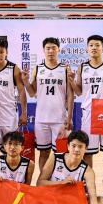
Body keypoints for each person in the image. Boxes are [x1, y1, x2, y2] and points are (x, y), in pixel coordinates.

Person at [69, 34, 103, 165]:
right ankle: (88, 178)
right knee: (87, 151)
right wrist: (71, 80)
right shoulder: (82, 67)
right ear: (87, 49)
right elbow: (79, 91)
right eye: (91, 45)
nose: (94, 48)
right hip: (89, 111)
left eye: (97, 45)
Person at [23, 37, 73, 171]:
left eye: (53, 48)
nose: (51, 51)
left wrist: (69, 118)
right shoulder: (38, 68)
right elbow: (32, 93)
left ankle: (59, 179)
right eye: (48, 48)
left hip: (60, 119)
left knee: (62, 153)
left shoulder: (65, 69)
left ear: (59, 50)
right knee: (44, 152)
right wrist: (26, 81)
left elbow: (70, 95)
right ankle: (43, 180)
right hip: (41, 119)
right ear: (43, 50)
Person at [37, 130, 102, 204]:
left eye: (80, 146)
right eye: (74, 146)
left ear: (86, 148)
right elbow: (40, 183)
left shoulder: (88, 171)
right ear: (68, 146)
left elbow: (92, 195)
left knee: (97, 202)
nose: (76, 149)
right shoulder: (55, 158)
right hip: (51, 199)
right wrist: (61, 183)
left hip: (70, 203)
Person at [0, 37, 28, 163]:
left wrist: (24, 113)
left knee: (11, 151)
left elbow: (22, 92)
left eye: (1, 52)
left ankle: (10, 175)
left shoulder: (14, 69)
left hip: (9, 117)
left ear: (6, 52)